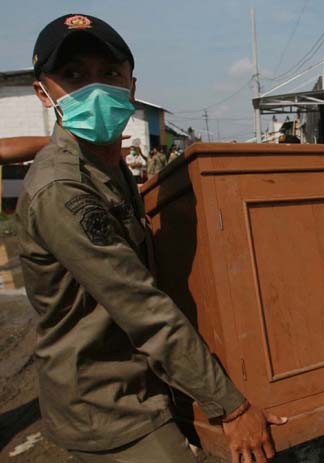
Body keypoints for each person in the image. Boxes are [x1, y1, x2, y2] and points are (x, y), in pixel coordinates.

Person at [17, 14, 287, 463]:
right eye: (74, 76)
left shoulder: (106, 166)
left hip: (139, 379)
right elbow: (142, 308)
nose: (96, 90)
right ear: (44, 93)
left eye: (110, 73)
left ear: (131, 86)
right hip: (107, 404)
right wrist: (233, 407)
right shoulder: (64, 188)